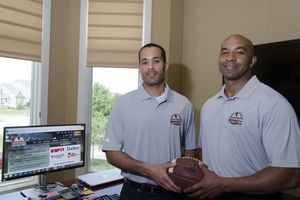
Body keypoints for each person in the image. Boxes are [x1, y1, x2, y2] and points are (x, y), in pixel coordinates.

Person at [185, 34, 300, 200]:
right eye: (224, 52)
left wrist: (223, 184)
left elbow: (291, 175)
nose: (230, 58)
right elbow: (204, 153)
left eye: (239, 52)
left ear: (252, 61)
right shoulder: (210, 105)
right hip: (211, 194)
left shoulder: (274, 105)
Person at [102, 43, 197, 200]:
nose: (150, 67)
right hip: (133, 192)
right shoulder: (123, 103)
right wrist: (149, 169)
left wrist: (185, 180)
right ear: (139, 67)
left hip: (172, 193)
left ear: (166, 65)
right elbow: (112, 153)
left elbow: (190, 150)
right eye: (144, 62)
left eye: (156, 61)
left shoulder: (184, 105)